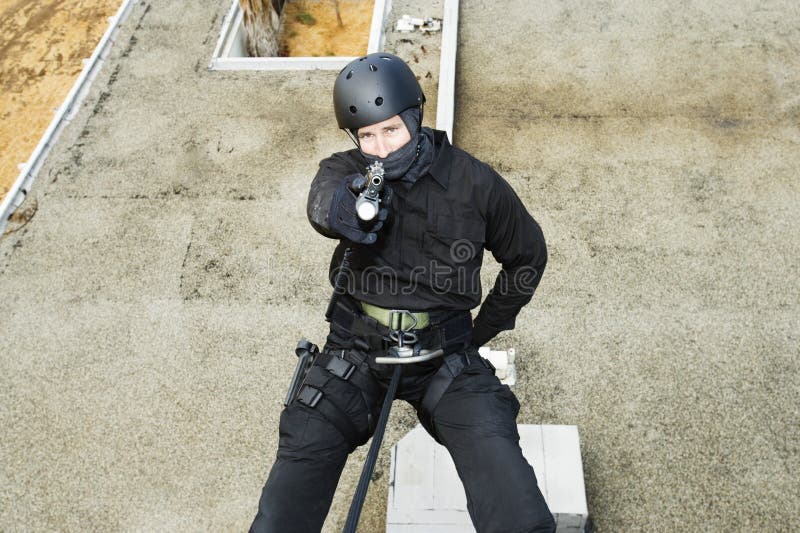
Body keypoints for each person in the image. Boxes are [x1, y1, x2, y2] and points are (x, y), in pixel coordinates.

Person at [250, 52, 554, 533]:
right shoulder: (345, 169)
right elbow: (323, 201)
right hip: (355, 351)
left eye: (391, 129)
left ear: (414, 116)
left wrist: (485, 328)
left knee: (518, 509)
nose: (381, 148)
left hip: (446, 356)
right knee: (288, 492)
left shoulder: (476, 182)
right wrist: (345, 208)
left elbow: (527, 257)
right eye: (367, 136)